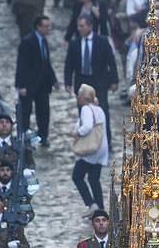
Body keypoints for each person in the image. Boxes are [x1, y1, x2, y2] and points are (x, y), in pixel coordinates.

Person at [64, 14, 118, 141]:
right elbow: (69, 64)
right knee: (84, 113)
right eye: (78, 26)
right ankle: (86, 141)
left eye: (82, 26)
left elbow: (111, 62)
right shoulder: (74, 43)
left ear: (90, 26)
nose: (79, 29)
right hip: (82, 82)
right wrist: (68, 82)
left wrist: (114, 80)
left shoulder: (102, 41)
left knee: (102, 111)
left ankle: (105, 140)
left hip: (99, 82)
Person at [14, 14, 59, 148]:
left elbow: (46, 62)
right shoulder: (27, 41)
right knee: (26, 112)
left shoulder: (44, 41)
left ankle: (43, 136)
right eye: (45, 26)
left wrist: (53, 80)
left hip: (43, 84)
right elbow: (21, 64)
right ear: (38, 27)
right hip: (29, 84)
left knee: (44, 112)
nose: (48, 29)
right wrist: (21, 85)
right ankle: (24, 138)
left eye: (48, 26)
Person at [71, 83, 110, 216]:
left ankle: (91, 203)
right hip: (101, 148)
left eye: (79, 95)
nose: (77, 98)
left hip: (91, 150)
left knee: (77, 176)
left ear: (83, 97)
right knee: (94, 179)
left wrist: (77, 133)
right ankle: (100, 209)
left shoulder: (86, 109)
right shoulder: (99, 109)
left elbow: (87, 126)